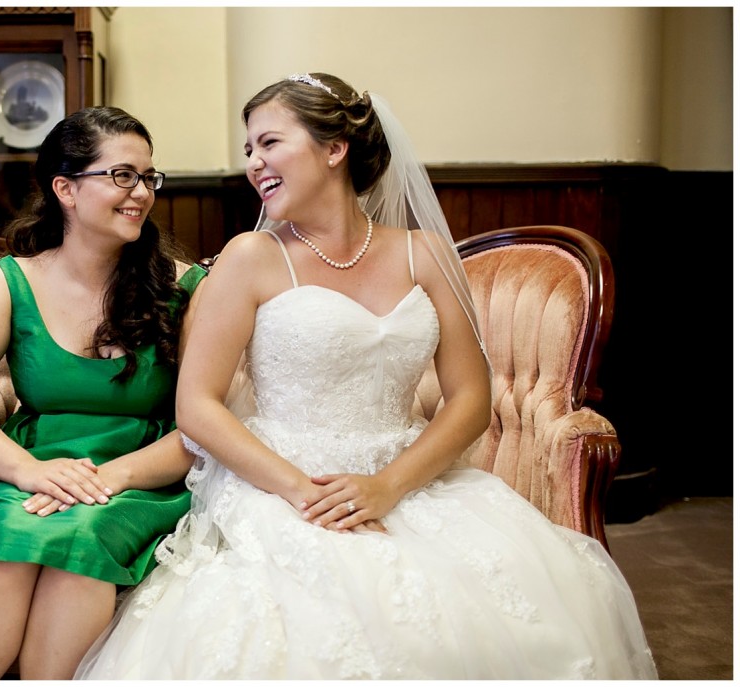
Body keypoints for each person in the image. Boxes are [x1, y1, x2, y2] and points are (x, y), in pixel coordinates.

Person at [74, 74, 658, 679]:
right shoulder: (251, 259)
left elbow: (469, 399)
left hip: (405, 473)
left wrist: (388, 486)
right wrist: (301, 491)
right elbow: (198, 407)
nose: (253, 163)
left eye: (269, 143)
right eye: (249, 149)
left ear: (334, 149)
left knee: (489, 608)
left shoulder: (425, 253)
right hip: (278, 481)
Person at [0, 106, 207, 679]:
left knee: (82, 540)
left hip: (138, 478)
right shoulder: (13, 280)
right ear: (66, 189)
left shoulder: (189, 288)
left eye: (148, 177)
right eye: (122, 175)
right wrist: (28, 471)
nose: (142, 193)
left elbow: (205, 422)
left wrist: (108, 478)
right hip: (31, 467)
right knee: (5, 543)